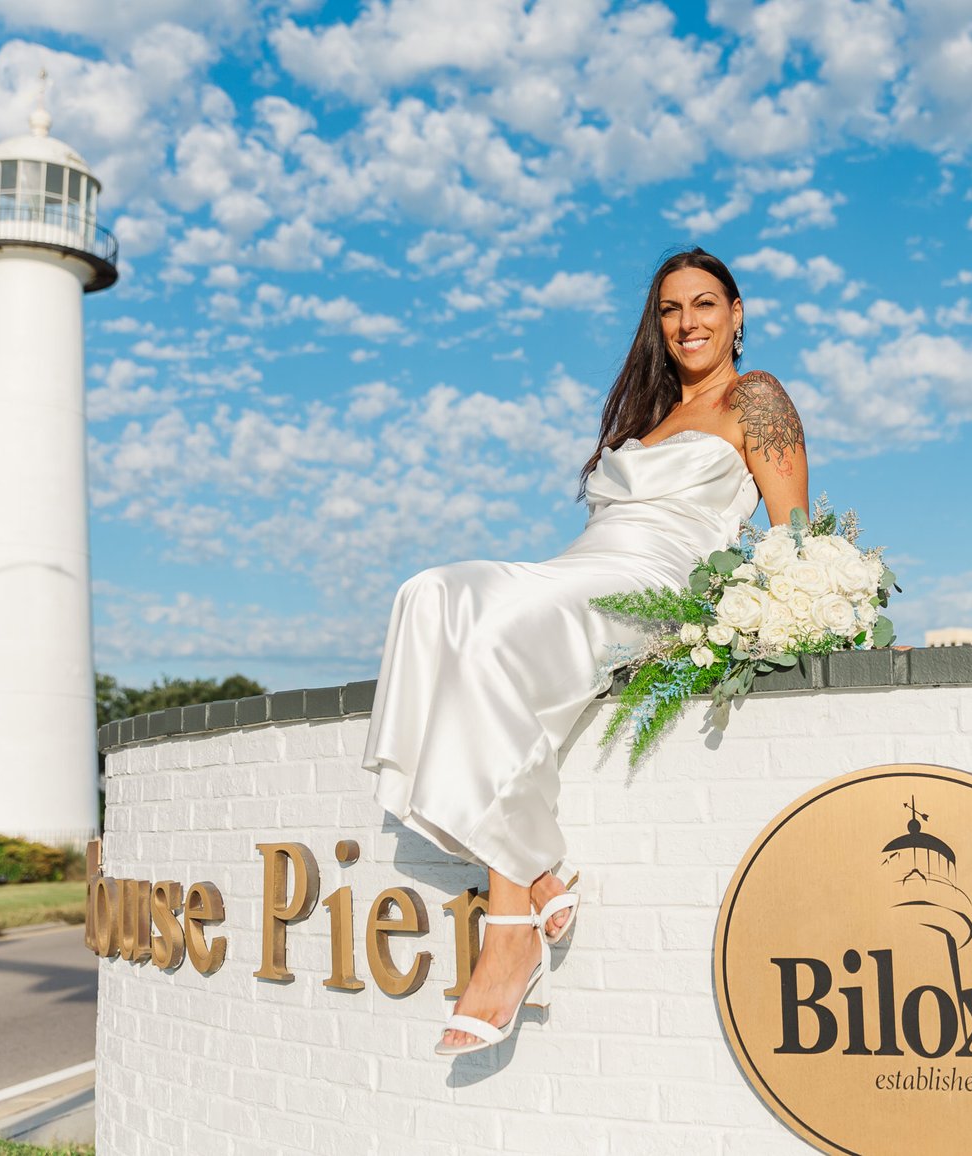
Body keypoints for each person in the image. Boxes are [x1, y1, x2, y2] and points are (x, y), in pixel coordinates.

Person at [361, 247, 809, 1055]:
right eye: (671, 310)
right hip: (583, 566)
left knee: (494, 636)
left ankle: (511, 926)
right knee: (430, 593)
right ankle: (537, 867)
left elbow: (792, 536)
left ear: (737, 315)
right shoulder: (646, 418)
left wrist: (787, 611)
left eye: (705, 304)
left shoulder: (759, 399)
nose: (687, 323)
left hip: (655, 587)